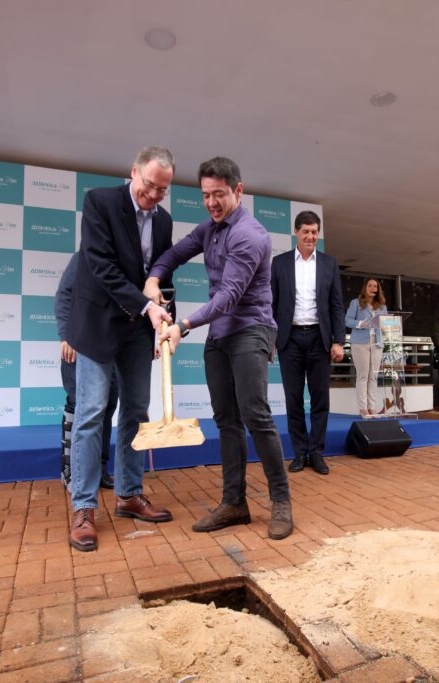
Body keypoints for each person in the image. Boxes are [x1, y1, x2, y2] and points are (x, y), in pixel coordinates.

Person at [145, 156, 293, 540]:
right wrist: (154, 278)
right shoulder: (210, 228)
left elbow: (228, 295)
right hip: (219, 337)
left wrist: (183, 325)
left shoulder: (251, 235)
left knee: (256, 415)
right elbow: (176, 253)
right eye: (206, 195)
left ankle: (281, 503)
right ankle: (234, 503)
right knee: (227, 421)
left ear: (238, 191)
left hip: (250, 331)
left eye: (219, 195)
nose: (211, 202)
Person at [65, 146, 176, 552]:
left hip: (137, 331)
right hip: (97, 325)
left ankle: (129, 494)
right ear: (133, 172)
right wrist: (146, 306)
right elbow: (100, 264)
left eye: (162, 190)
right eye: (149, 186)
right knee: (92, 413)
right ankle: (83, 508)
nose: (154, 196)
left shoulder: (163, 221)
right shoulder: (99, 201)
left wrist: (163, 318)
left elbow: (159, 274)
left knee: (135, 412)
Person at [271, 211, 345, 475]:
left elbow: (336, 305)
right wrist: (271, 339)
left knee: (320, 399)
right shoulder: (279, 264)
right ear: (296, 232)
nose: (311, 236)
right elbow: (272, 305)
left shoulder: (329, 264)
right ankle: (299, 453)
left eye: (315, 232)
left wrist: (339, 341)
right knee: (293, 400)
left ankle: (317, 452)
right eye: (306, 231)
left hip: (319, 339)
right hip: (289, 340)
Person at [55, 256, 116, 492]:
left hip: (111, 347)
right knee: (78, 405)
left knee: (107, 406)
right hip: (79, 344)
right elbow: (64, 296)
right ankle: (71, 470)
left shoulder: (125, 260)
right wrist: (67, 335)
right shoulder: (84, 257)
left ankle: (99, 469)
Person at [345, 279, 388, 418]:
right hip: (360, 343)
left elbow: (386, 322)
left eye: (375, 286)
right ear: (365, 288)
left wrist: (388, 323)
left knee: (373, 376)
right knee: (363, 375)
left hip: (377, 342)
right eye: (370, 285)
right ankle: (363, 408)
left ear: (378, 289)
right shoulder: (355, 302)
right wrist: (360, 323)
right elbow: (347, 320)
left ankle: (372, 407)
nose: (372, 288)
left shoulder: (382, 306)